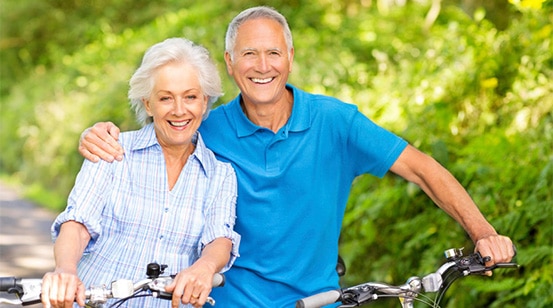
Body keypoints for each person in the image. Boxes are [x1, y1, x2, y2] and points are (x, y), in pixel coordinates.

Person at [78, 6, 515, 307]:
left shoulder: (336, 122)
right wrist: (100, 134)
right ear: (231, 63)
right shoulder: (205, 128)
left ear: (290, 58)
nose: (261, 65)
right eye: (249, 53)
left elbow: (421, 168)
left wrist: (483, 233)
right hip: (225, 300)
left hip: (318, 301)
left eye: (273, 52)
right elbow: (152, 136)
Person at [41, 37, 240, 308]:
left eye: (190, 97)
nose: (179, 110)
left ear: (204, 102)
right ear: (148, 104)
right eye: (166, 98)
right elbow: (78, 223)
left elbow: (220, 237)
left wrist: (204, 268)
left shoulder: (220, 174)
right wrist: (65, 269)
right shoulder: (112, 149)